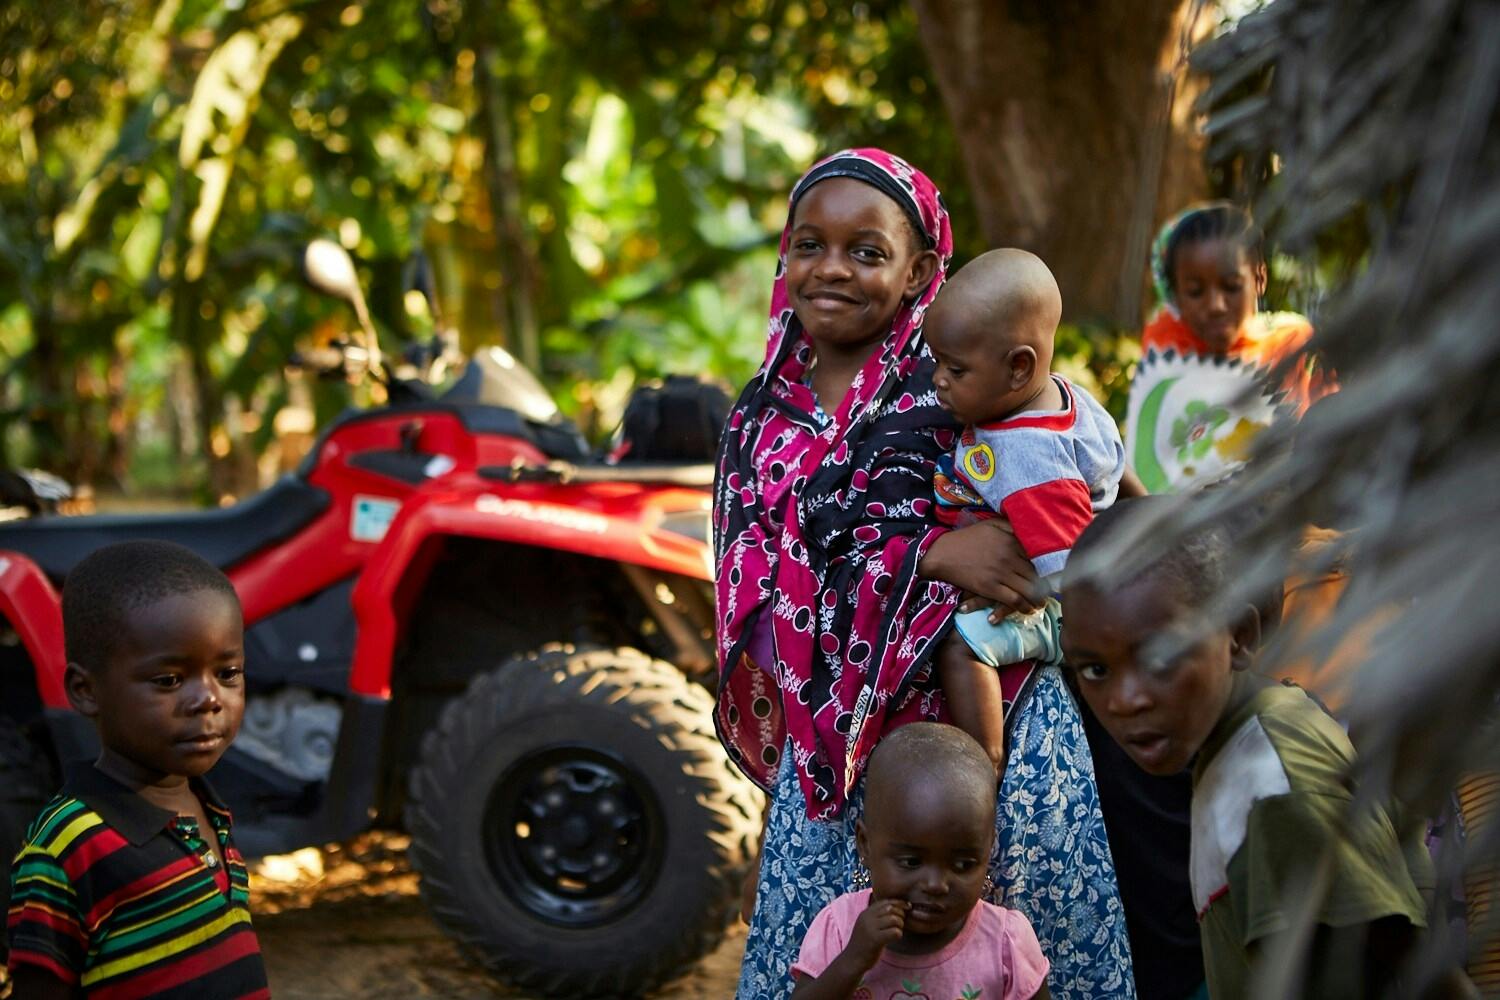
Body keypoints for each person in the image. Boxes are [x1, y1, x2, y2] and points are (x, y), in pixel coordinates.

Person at [717, 149, 1133, 1000]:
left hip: (1004, 742)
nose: (831, 267)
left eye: (866, 251)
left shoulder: (961, 380)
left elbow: (1062, 479)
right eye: (809, 244)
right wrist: (926, 559)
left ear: (920, 273)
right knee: (834, 959)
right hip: (839, 763)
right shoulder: (757, 424)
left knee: (1031, 959)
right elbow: (748, 589)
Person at [1059, 498, 1453, 999]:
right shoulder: (1259, 724)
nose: (1124, 700)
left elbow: (1394, 955)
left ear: (1240, 636)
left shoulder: (1272, 790)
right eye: (1094, 670)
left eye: (1160, 657)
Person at [6, 541, 268, 999]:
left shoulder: (206, 806)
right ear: (86, 690)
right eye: (168, 680)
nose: (208, 699)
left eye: (228, 673)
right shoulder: (68, 846)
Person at [924, 248, 1124, 773]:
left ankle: (983, 762)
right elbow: (1117, 464)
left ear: (1018, 368)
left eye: (956, 369)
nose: (939, 380)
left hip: (1057, 610)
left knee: (960, 645)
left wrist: (1027, 594)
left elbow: (1071, 566)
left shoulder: (1026, 458)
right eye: (937, 363)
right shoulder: (1065, 396)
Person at [791, 723, 1050, 1000]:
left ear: (988, 850)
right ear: (865, 845)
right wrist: (853, 960)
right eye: (911, 861)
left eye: (963, 865)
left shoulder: (1005, 942)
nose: (935, 884)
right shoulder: (840, 928)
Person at [1125, 202, 1334, 494]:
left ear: (1259, 279)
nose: (1216, 306)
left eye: (1232, 286)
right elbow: (1153, 458)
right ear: (1175, 296)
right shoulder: (1166, 347)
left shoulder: (1293, 343)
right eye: (1196, 292)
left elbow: (1328, 429)